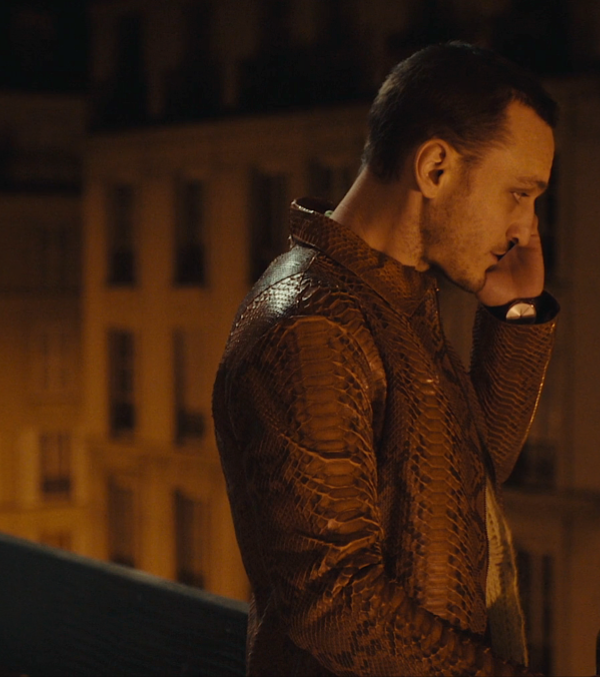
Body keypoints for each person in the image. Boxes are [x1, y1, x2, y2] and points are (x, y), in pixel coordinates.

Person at [212, 42, 559, 677]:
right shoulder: (311, 326)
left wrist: (514, 312)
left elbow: (475, 470)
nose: (525, 227)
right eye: (518, 193)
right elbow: (336, 604)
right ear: (434, 169)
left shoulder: (394, 297)